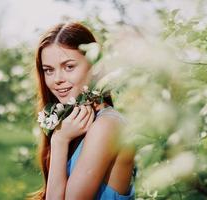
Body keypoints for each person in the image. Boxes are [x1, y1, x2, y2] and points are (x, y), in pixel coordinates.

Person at [28, 22, 136, 200]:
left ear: (94, 67)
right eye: (48, 70)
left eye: (69, 67)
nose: (57, 79)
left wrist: (60, 139)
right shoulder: (74, 122)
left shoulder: (106, 126)